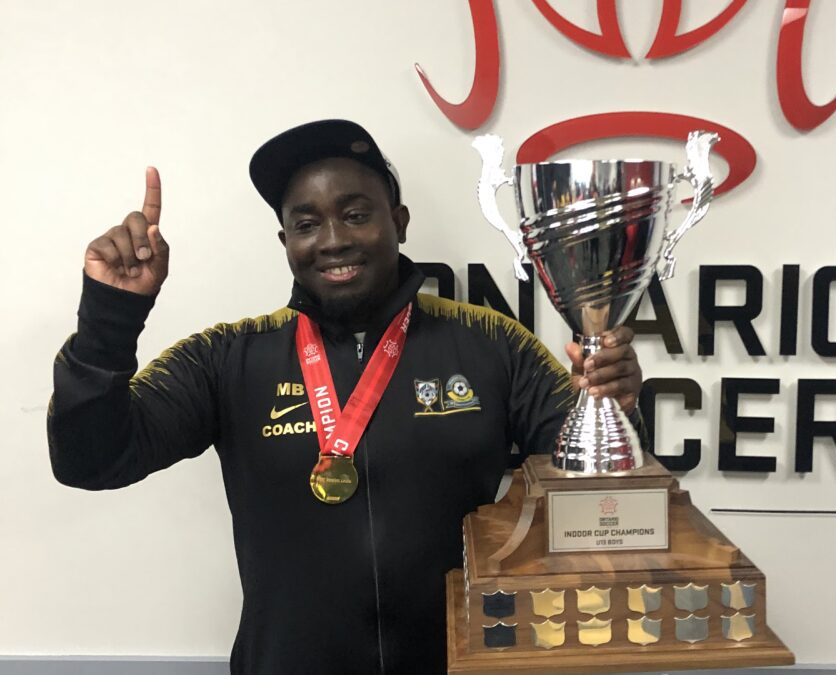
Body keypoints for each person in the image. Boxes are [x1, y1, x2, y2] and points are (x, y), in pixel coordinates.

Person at [47, 119, 644, 674]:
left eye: (355, 214)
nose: (331, 240)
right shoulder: (227, 358)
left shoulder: (490, 344)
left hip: (461, 664)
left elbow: (596, 497)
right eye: (306, 224)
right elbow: (91, 460)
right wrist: (109, 321)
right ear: (285, 240)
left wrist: (613, 402)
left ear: (399, 221)